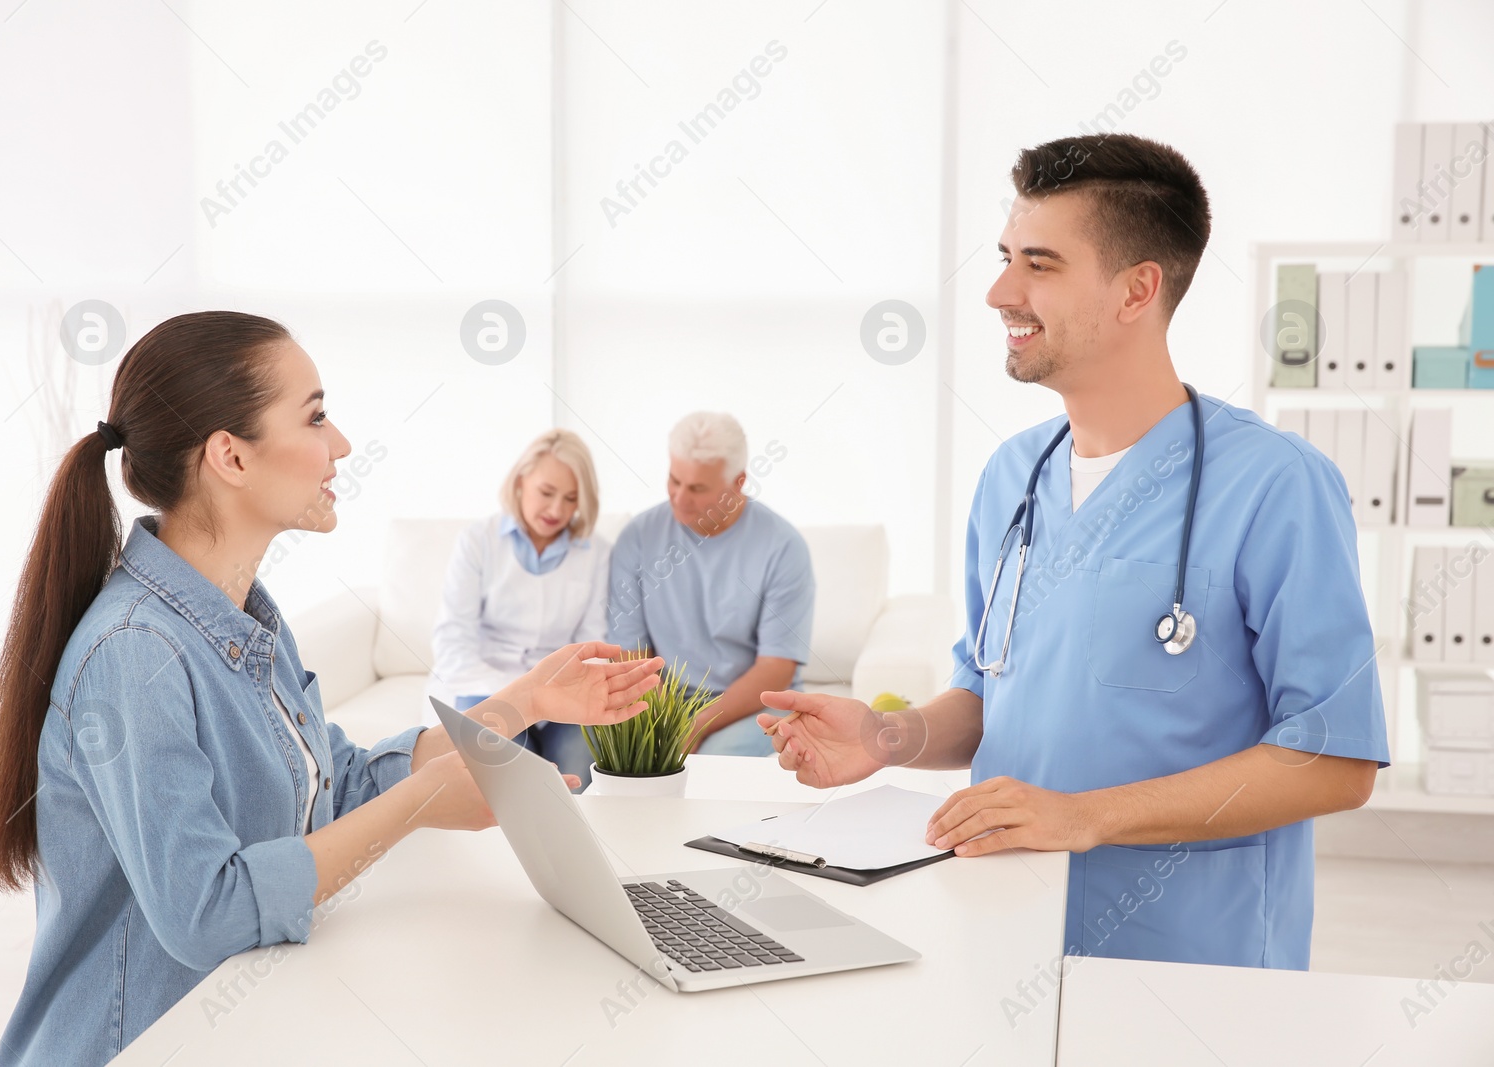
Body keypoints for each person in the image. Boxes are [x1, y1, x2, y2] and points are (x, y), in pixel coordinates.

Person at [760, 133, 1388, 970]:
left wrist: (1086, 814)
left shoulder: (1276, 487)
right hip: (1006, 924)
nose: (999, 291)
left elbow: (1333, 760)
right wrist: (885, 737)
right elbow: (988, 696)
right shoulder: (1014, 476)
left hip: (1192, 952)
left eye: (1040, 264)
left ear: (1138, 289)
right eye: (1005, 257)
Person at [0, 312, 661, 1066]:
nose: (341, 444)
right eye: (317, 415)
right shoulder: (135, 654)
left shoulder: (238, 616)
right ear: (230, 456)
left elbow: (337, 782)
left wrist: (524, 702)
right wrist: (422, 801)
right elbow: (206, 910)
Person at [608, 412, 814, 756]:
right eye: (674, 480)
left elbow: (775, 670)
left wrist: (695, 726)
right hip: (661, 701)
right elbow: (630, 653)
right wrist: (668, 720)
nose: (680, 498)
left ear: (738, 482)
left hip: (755, 707)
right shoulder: (638, 537)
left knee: (716, 759)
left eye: (698, 488)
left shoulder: (783, 546)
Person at [432, 429, 609, 786]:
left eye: (571, 498)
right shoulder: (478, 540)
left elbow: (594, 642)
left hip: (564, 693)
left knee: (580, 771)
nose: (557, 510)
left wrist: (552, 695)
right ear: (521, 480)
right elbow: (453, 640)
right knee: (510, 779)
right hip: (488, 686)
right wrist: (523, 696)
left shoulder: (598, 551)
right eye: (546, 492)